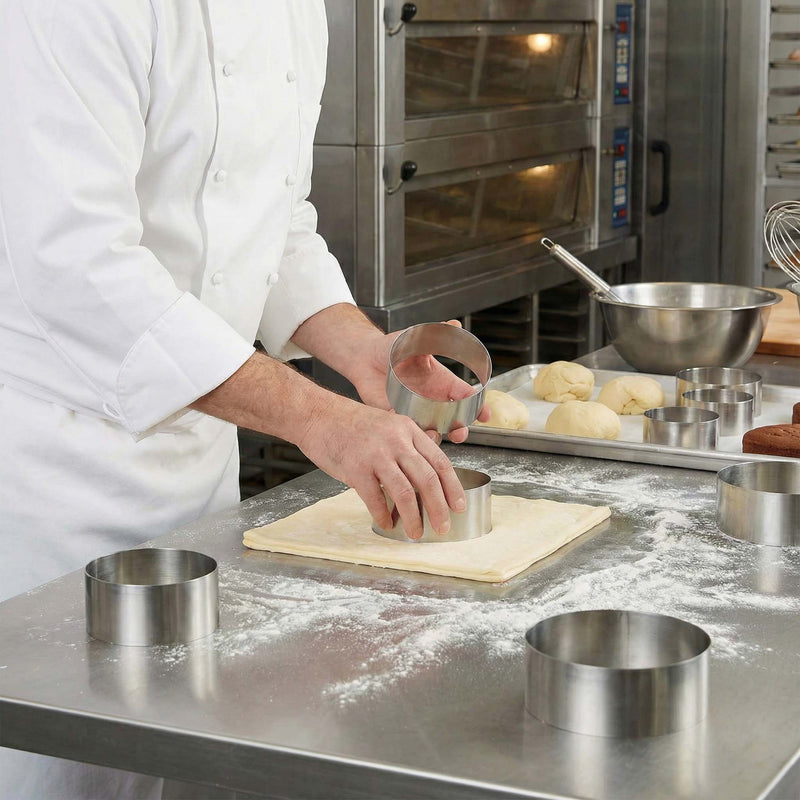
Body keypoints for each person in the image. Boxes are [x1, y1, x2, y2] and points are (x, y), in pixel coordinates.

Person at [0, 1, 486, 798]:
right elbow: (79, 265)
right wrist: (317, 417)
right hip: (52, 475)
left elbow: (275, 224)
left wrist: (364, 352)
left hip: (198, 465)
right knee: (57, 768)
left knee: (182, 752)